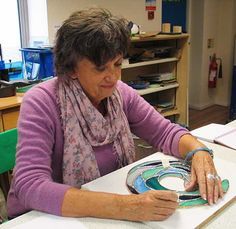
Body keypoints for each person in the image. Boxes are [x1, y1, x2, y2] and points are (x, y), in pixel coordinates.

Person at [7, 8, 223, 222]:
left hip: (99, 209)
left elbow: (165, 132)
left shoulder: (120, 94)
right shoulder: (42, 102)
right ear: (71, 68)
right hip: (42, 217)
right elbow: (30, 185)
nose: (113, 76)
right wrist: (126, 207)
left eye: (117, 64)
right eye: (100, 68)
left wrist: (198, 153)